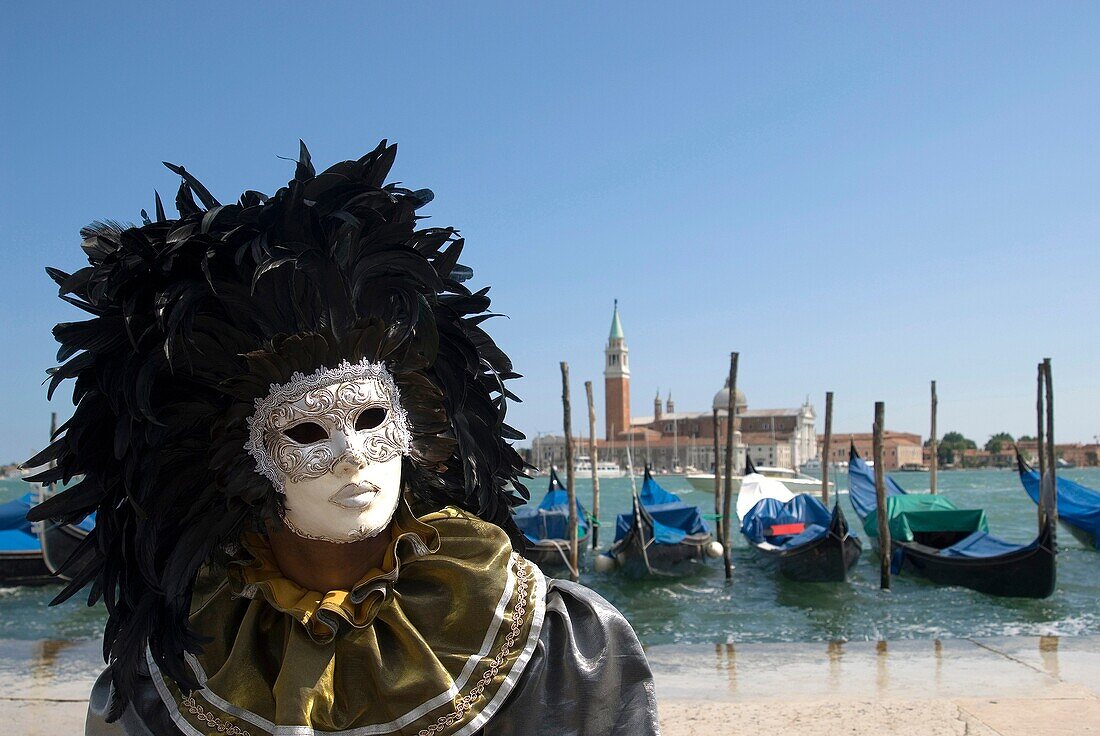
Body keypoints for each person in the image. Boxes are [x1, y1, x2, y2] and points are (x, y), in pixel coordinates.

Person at [26, 142, 660, 736]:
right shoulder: (166, 674)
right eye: (306, 430)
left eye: (370, 420)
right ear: (243, 462)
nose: (352, 455)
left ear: (416, 425)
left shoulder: (562, 649)